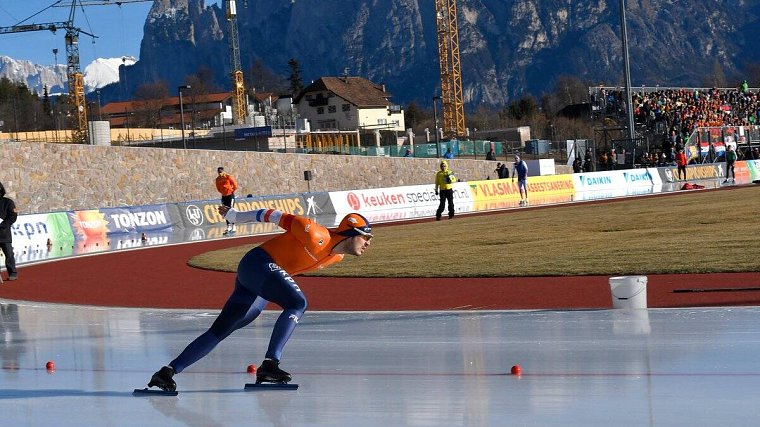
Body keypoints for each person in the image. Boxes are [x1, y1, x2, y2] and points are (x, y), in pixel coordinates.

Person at [146, 208, 374, 391]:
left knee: (222, 329)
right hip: (258, 264)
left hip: (262, 279)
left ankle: (167, 372)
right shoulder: (314, 233)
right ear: (351, 232)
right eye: (366, 237)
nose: (368, 243)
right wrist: (235, 216)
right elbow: (272, 214)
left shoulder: (337, 257)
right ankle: (270, 364)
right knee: (298, 303)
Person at [0, 182, 18, 281]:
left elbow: (12, 216)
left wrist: (2, 225)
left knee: (9, 254)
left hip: (4, 234)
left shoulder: (8, 202)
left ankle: (13, 273)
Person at [215, 166, 238, 235]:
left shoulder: (228, 177)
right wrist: (223, 192)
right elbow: (218, 188)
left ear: (223, 171)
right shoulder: (217, 179)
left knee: (231, 210)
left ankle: (233, 225)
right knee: (225, 211)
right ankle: (228, 226)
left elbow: (235, 185)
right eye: (218, 173)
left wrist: (231, 190)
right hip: (224, 196)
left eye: (221, 172)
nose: (219, 174)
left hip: (230, 196)